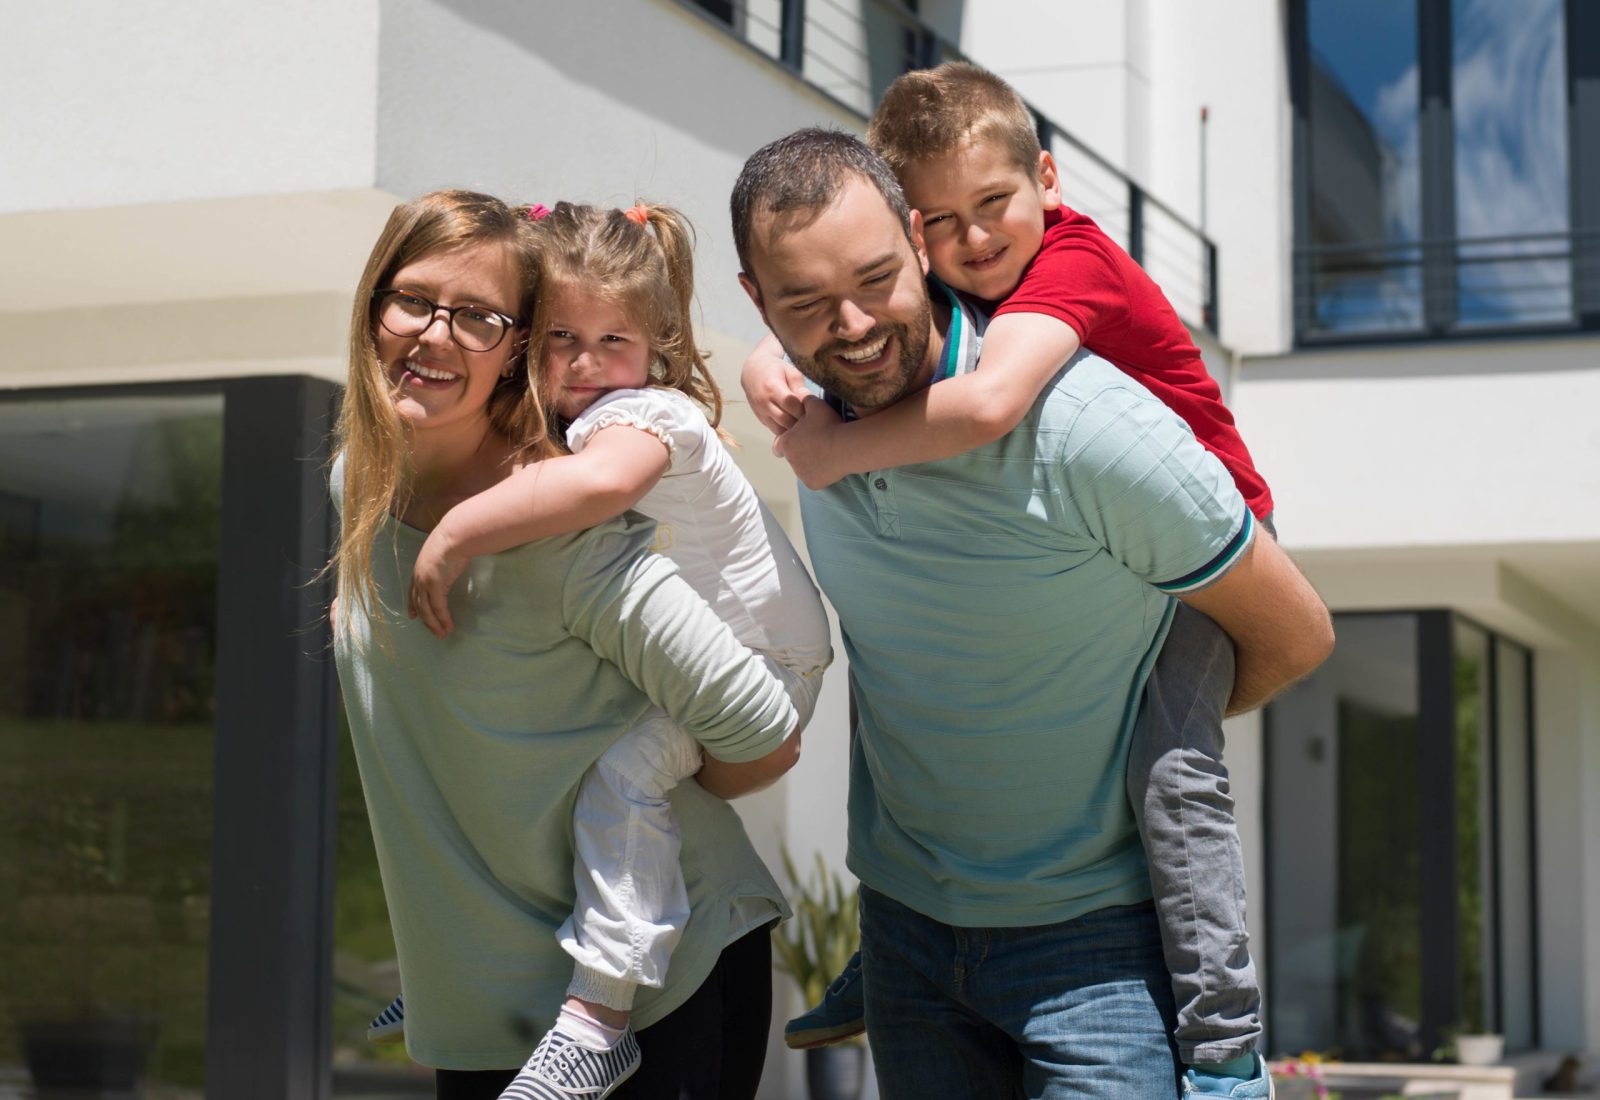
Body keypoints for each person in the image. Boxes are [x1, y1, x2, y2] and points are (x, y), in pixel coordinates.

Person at [730, 130, 1334, 1098]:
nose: (850, 325)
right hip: (903, 944)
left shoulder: (1085, 427)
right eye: (804, 304)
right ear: (758, 303)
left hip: (1095, 953)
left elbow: (1297, 629)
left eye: (877, 278)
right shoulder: (806, 429)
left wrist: (1149, 731)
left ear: (918, 243)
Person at [331, 189, 803, 1100]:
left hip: (658, 990)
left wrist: (641, 782)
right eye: (413, 300)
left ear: (513, 349)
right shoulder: (359, 480)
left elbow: (765, 730)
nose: (434, 335)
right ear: (371, 306)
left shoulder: (561, 531)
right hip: (484, 1003)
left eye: (477, 317)